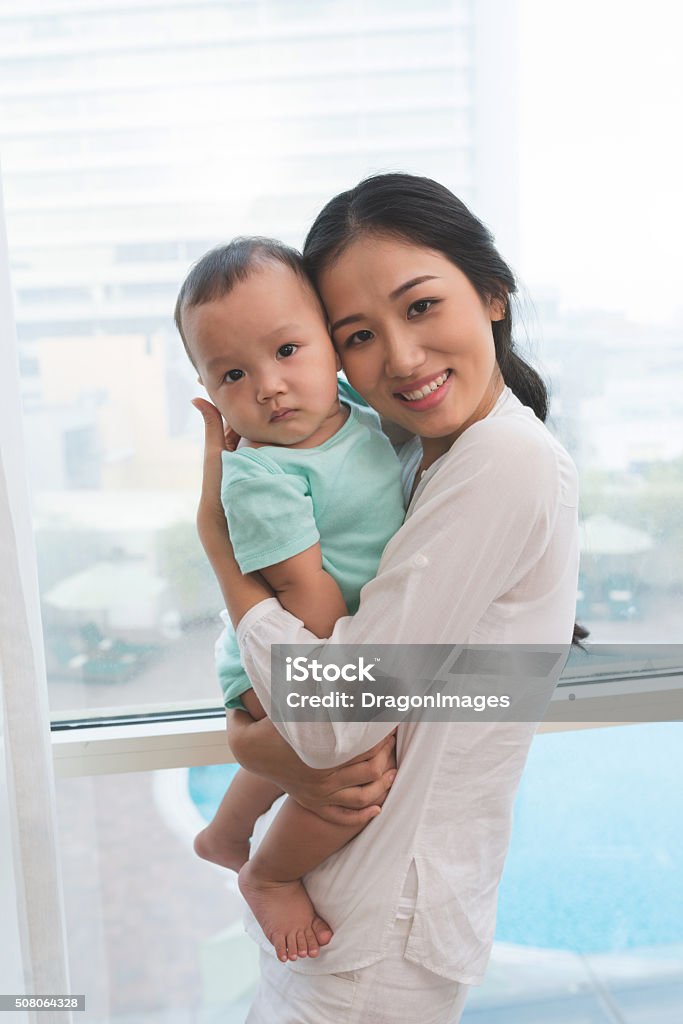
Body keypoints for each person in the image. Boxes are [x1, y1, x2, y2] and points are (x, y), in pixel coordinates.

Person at [193, 173, 581, 1024]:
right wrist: (257, 741)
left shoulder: (503, 461)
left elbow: (337, 719)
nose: (400, 359)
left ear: (491, 293)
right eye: (360, 334)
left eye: (420, 306)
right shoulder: (409, 456)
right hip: (346, 923)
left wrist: (224, 561)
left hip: (373, 936)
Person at [175, 238, 406, 964]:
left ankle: (226, 832)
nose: (269, 385)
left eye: (287, 350)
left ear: (332, 349)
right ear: (210, 394)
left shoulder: (346, 413)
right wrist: (354, 677)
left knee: (303, 753)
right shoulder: (261, 475)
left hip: (290, 640)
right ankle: (270, 875)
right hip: (288, 641)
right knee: (352, 769)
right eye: (234, 373)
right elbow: (302, 589)